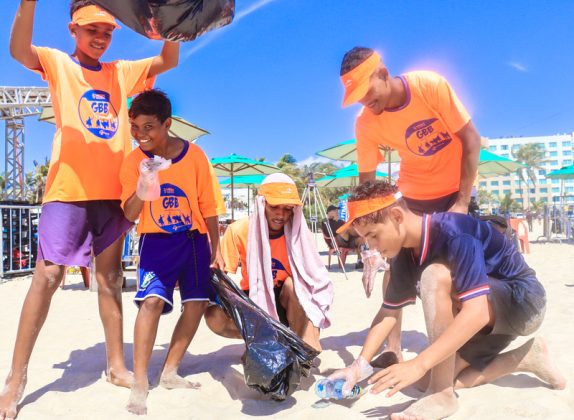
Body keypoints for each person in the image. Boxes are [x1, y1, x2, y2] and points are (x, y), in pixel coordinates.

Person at [1, 2, 179, 418]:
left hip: (111, 193)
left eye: (107, 31)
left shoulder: (121, 72)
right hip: (68, 189)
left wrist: (174, 21)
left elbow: (169, 58)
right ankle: (16, 377)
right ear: (73, 31)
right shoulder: (58, 63)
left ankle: (116, 365)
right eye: (91, 30)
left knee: (111, 278)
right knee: (46, 276)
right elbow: (17, 50)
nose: (100, 38)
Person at [330, 180, 566, 419]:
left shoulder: (454, 231)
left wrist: (419, 362)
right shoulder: (400, 253)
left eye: (373, 235)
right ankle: (527, 358)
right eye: (364, 239)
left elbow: (478, 312)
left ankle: (441, 395)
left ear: (396, 216)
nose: (370, 246)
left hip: (523, 302)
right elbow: (389, 313)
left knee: (435, 275)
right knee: (423, 381)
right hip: (484, 320)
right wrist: (358, 366)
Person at [340, 47, 482, 362]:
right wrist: (369, 234)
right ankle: (393, 349)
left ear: (383, 73)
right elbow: (366, 182)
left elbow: (472, 140)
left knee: (456, 272)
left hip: (453, 192)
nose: (364, 100)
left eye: (366, 91)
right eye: (357, 97)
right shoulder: (366, 123)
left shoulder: (428, 86)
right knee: (395, 268)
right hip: (412, 199)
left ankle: (459, 347)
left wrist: (461, 202)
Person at [120, 90, 223, 415]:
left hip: (193, 240)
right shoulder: (133, 162)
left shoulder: (195, 156)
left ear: (167, 124)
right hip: (156, 241)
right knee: (150, 302)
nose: (141, 135)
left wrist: (216, 250)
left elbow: (210, 207)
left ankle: (169, 371)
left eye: (149, 127)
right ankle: (139, 380)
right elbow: (128, 214)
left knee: (195, 303)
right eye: (135, 127)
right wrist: (143, 183)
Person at [205, 173, 334, 351]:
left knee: (292, 284)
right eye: (274, 206)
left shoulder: (300, 236)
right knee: (214, 316)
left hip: (290, 302)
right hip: (254, 299)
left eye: (288, 208)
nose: (281, 214)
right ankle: (261, 344)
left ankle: (298, 345)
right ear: (262, 203)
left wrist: (312, 328)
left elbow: (315, 282)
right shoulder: (238, 230)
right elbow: (221, 276)